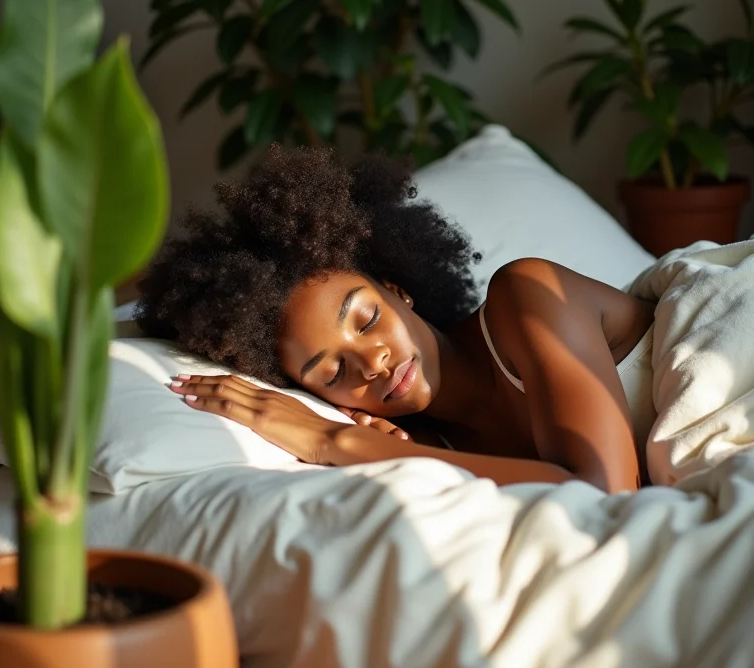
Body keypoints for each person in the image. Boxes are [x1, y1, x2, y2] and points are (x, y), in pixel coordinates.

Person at [136, 146, 656, 494]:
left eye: (364, 321)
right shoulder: (426, 450)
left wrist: (336, 442)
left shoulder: (526, 297)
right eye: (332, 373)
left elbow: (607, 494)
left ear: (398, 289)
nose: (372, 363)